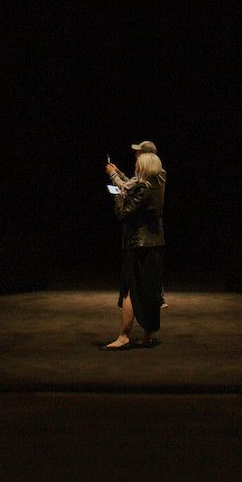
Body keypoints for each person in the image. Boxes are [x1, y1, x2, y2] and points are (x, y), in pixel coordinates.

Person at [104, 151, 166, 349]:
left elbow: (123, 214)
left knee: (128, 289)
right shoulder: (157, 186)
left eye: (139, 163)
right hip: (153, 246)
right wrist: (119, 177)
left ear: (145, 167)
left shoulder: (143, 189)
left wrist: (117, 195)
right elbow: (132, 184)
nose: (136, 166)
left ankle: (123, 336)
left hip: (138, 246)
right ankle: (147, 336)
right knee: (150, 290)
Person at [107, 140, 168, 307]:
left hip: (141, 237)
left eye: (138, 154)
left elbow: (128, 189)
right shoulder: (157, 177)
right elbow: (134, 184)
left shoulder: (146, 183)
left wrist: (113, 176)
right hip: (155, 235)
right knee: (150, 276)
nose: (135, 156)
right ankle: (157, 299)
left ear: (146, 158)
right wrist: (120, 173)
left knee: (134, 284)